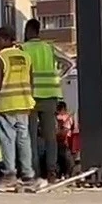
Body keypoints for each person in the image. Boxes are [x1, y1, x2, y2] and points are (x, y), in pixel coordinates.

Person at [0, 26, 36, 188]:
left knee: (7, 140)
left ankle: (9, 173)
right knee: (24, 139)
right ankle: (28, 174)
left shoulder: (0, 57)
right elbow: (31, 81)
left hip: (5, 105)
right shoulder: (25, 56)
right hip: (23, 104)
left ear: (4, 39)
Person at [21, 19, 62, 183]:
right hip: (50, 95)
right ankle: (52, 171)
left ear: (29, 31)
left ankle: (34, 172)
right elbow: (70, 63)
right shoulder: (49, 48)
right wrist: (58, 77)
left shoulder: (23, 49)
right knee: (50, 136)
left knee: (30, 136)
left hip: (30, 96)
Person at [55, 101, 77, 178]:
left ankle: (63, 173)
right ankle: (67, 173)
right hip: (64, 142)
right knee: (65, 158)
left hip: (62, 141)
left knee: (63, 158)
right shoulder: (68, 117)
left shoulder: (57, 118)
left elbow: (65, 131)